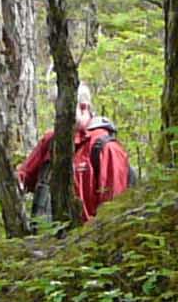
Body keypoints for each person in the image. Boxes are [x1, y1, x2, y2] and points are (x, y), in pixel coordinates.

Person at [17, 85, 132, 225]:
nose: (58, 117)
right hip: (46, 235)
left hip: (88, 236)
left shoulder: (106, 148)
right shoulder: (50, 142)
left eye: (64, 111)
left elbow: (114, 208)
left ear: (84, 107)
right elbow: (21, 180)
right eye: (56, 110)